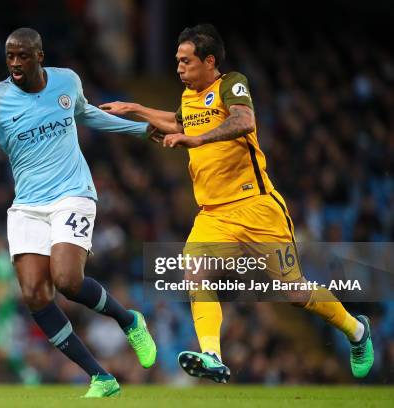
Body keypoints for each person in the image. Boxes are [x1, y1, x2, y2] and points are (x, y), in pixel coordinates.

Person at [100, 23, 373, 383]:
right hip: (213, 214)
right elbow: (177, 122)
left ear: (209, 61)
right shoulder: (188, 97)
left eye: (186, 61)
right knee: (194, 271)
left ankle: (356, 331)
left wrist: (197, 141)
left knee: (292, 292)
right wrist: (135, 108)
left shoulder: (230, 84)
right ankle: (211, 354)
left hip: (257, 207)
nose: (179, 68)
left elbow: (244, 121)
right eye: (177, 61)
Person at [0, 27, 157, 398]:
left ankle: (129, 321)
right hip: (28, 207)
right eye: (10, 56)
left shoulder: (66, 82)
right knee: (34, 294)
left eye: (23, 55)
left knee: (66, 280)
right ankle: (101, 377)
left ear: (39, 56)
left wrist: (141, 130)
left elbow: (88, 115)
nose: (15, 63)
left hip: (73, 194)